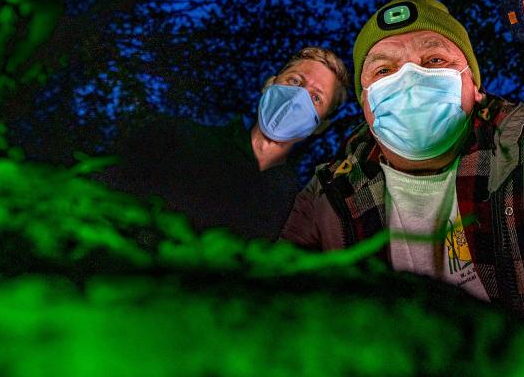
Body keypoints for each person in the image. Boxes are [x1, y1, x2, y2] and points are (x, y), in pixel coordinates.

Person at [280, 0, 524, 319]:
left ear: (474, 86)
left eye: (434, 60)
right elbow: (272, 297)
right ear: (365, 104)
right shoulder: (330, 193)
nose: (408, 78)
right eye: (383, 70)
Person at [99, 47, 350, 237]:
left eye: (315, 98)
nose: (297, 99)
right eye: (295, 81)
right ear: (269, 85)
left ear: (321, 125)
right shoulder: (175, 138)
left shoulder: (295, 207)